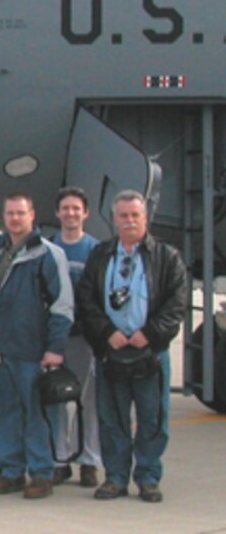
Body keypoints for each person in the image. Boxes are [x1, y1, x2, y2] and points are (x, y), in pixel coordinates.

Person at [77, 190, 187, 503]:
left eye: (135, 215)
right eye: (123, 216)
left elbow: (176, 303)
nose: (129, 221)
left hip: (150, 352)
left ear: (145, 218)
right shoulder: (101, 255)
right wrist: (107, 332)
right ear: (114, 219)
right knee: (112, 419)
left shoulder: (167, 257)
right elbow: (86, 300)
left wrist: (149, 333)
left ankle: (148, 478)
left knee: (152, 419)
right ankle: (115, 477)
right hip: (111, 353)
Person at [0, 194, 73, 499]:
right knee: (5, 415)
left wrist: (55, 348)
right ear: (3, 218)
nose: (15, 219)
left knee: (38, 416)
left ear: (32, 215)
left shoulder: (48, 255)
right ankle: (11, 471)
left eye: (20, 213)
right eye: (10, 213)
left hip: (34, 354)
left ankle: (41, 473)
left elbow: (62, 306)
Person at [51, 186, 102, 487]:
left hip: (85, 338)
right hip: (56, 339)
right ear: (57, 213)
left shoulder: (96, 250)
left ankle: (88, 459)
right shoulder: (48, 248)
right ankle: (59, 459)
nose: (70, 214)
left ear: (85, 213)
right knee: (54, 398)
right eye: (65, 208)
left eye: (76, 209)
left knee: (88, 400)